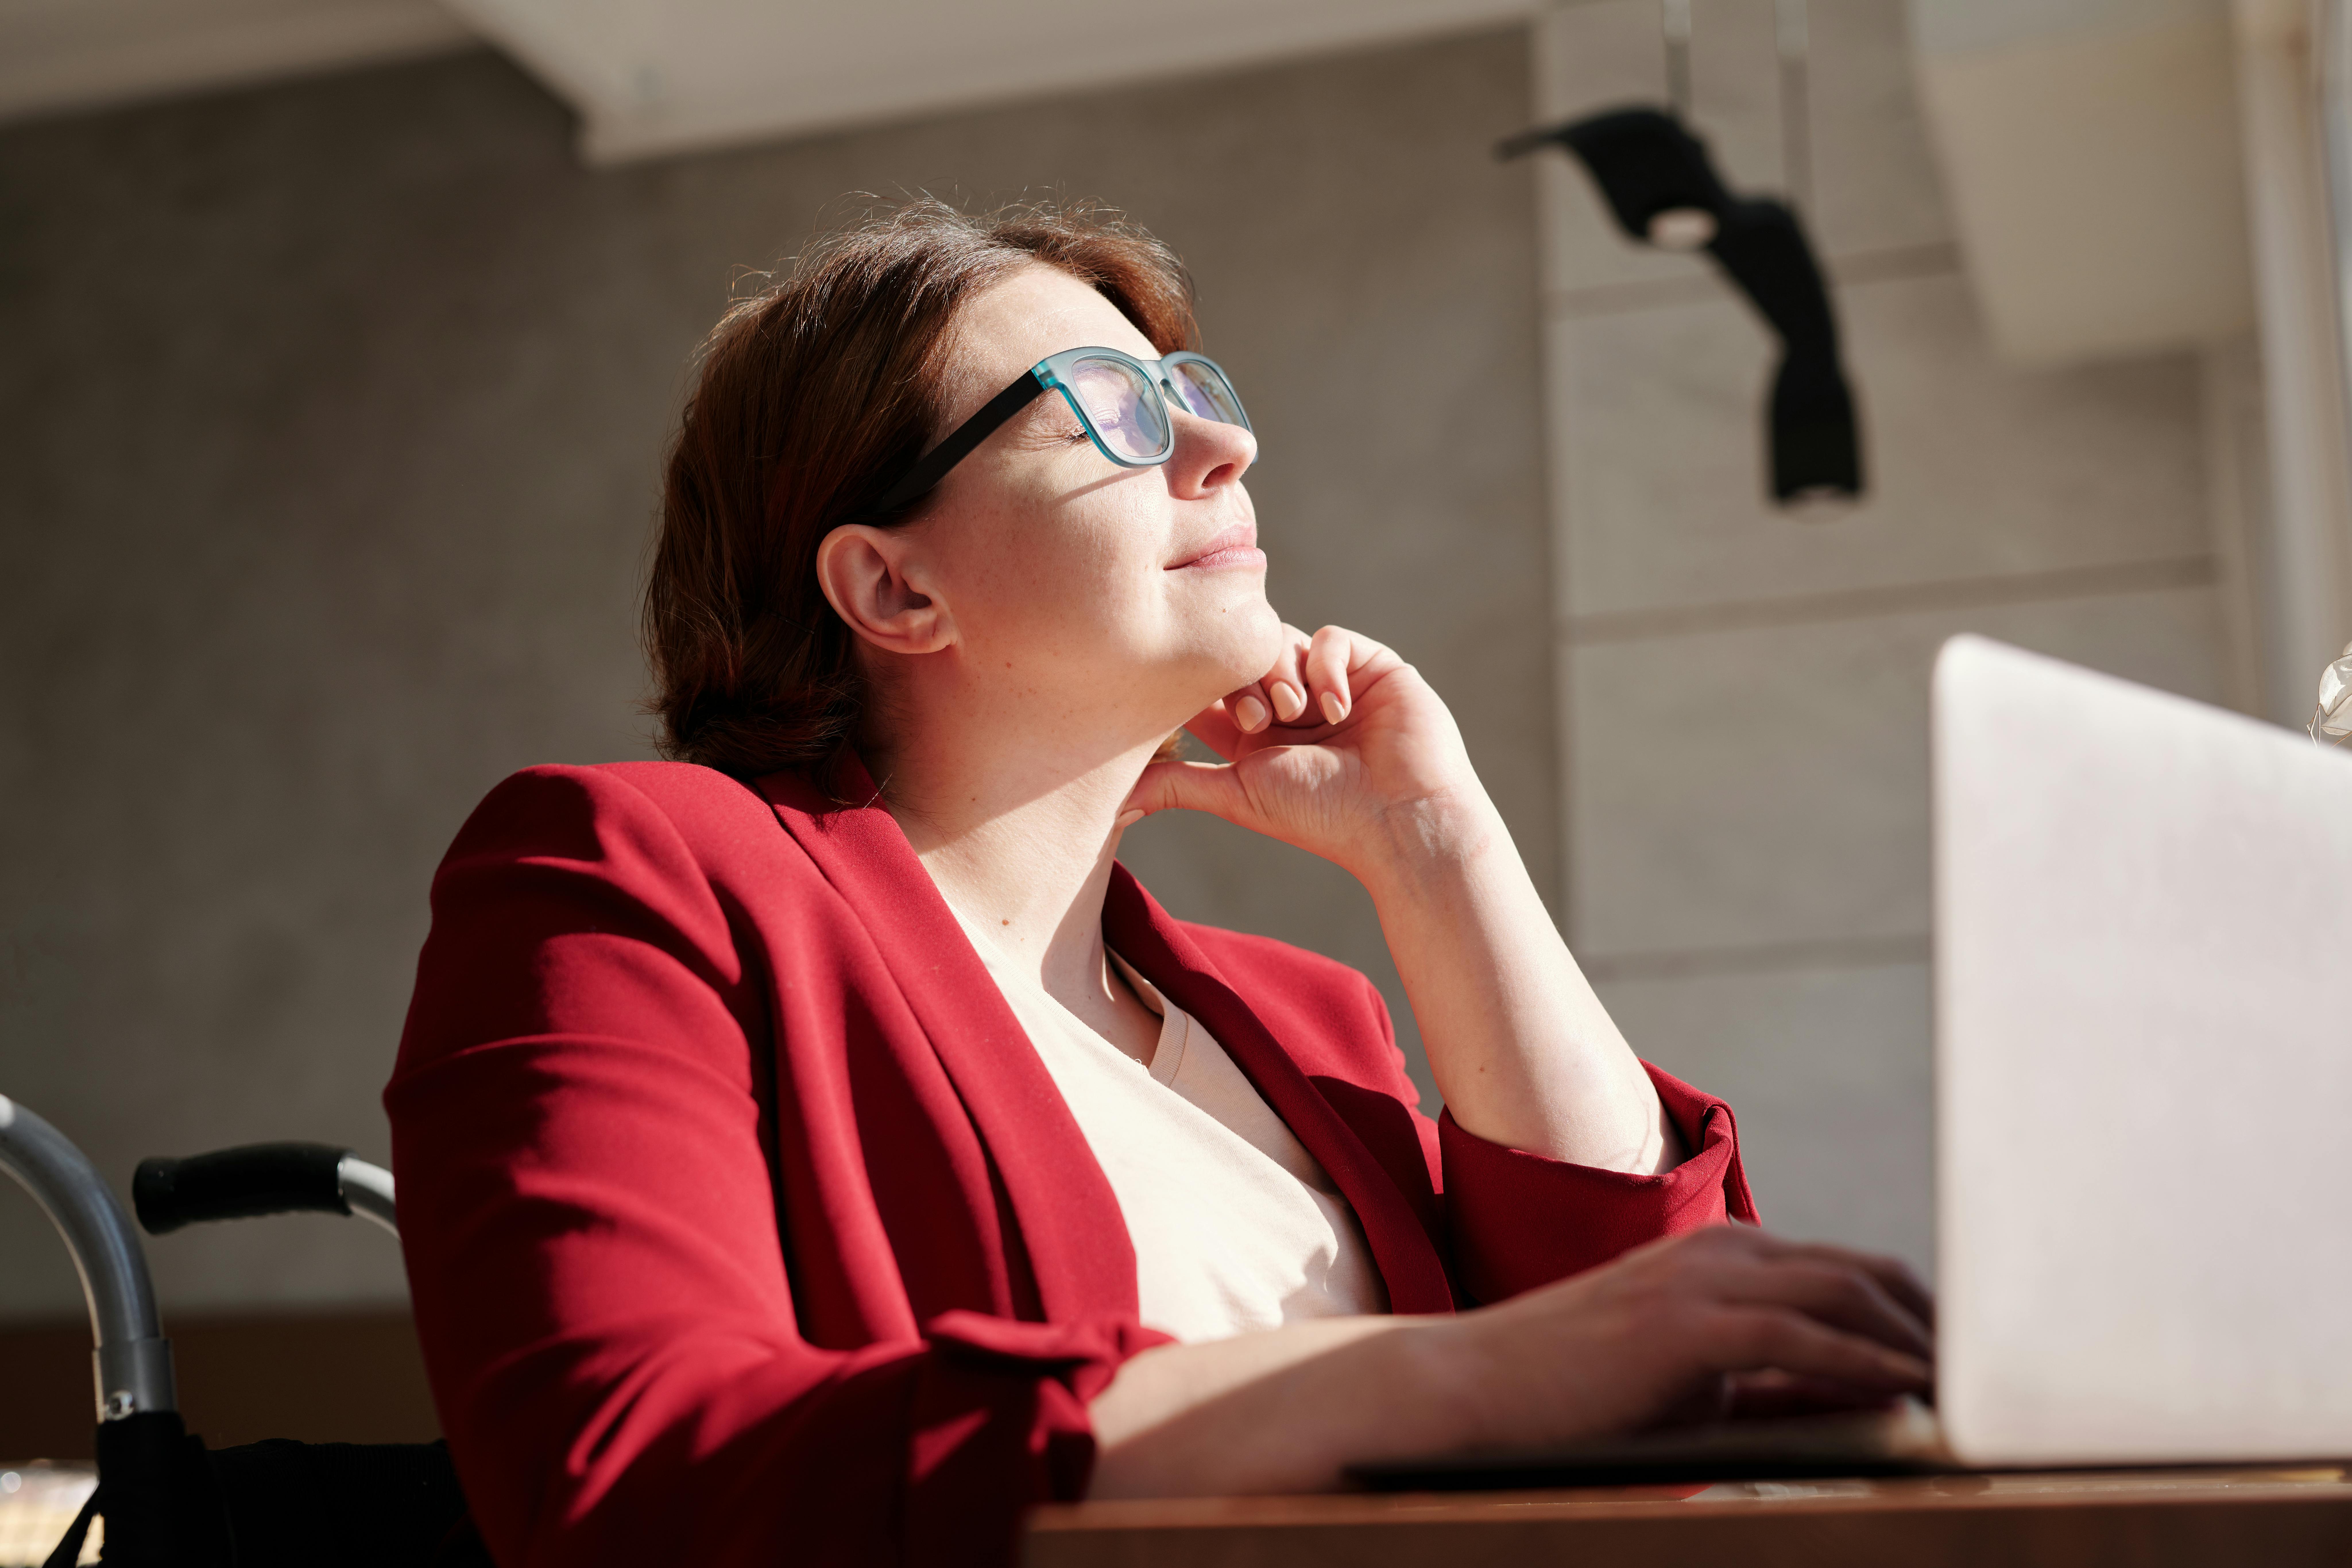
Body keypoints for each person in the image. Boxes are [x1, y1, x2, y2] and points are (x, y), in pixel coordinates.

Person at [385, 200, 1932, 1568]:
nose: (1224, 445)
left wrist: (1442, 853)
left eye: (1196, 391)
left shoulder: (1302, 1014)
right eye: (1114, 407)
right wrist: (1446, 1378)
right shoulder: (628, 874)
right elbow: (632, 1478)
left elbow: (1660, 1392)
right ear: (892, 585)